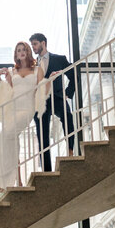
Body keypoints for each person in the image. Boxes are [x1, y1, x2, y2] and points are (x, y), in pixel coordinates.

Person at [0, 41, 48, 191]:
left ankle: (4, 182)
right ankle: (14, 181)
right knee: (7, 139)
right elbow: (5, 90)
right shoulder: (11, 71)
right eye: (18, 50)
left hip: (26, 109)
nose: (21, 52)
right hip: (13, 110)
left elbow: (42, 89)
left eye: (23, 49)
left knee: (7, 135)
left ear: (28, 52)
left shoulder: (37, 70)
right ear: (16, 54)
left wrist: (51, 80)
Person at [29, 32, 76, 171]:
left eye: (35, 44)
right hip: (40, 102)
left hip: (57, 97)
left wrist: (68, 92)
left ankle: (70, 150)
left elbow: (73, 75)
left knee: (68, 117)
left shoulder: (59, 59)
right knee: (42, 133)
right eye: (32, 45)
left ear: (43, 43)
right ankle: (46, 168)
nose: (33, 48)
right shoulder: (32, 64)